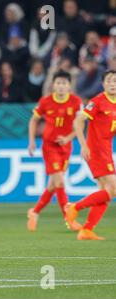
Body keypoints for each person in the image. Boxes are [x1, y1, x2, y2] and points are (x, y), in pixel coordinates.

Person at [27, 71, 83, 232]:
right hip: (50, 146)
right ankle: (69, 219)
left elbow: (80, 124)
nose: (61, 86)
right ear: (53, 85)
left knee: (53, 185)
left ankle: (35, 211)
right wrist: (31, 141)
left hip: (66, 147)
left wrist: (69, 138)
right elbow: (34, 120)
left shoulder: (76, 101)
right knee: (59, 182)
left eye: (64, 83)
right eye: (58, 83)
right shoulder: (45, 101)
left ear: (69, 86)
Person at [65, 70, 116, 240]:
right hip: (96, 149)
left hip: (106, 149)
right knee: (113, 189)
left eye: (115, 81)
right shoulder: (98, 101)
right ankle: (74, 207)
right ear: (103, 84)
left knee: (106, 192)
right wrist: (83, 144)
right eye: (109, 81)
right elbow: (79, 120)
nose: (112, 84)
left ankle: (86, 230)